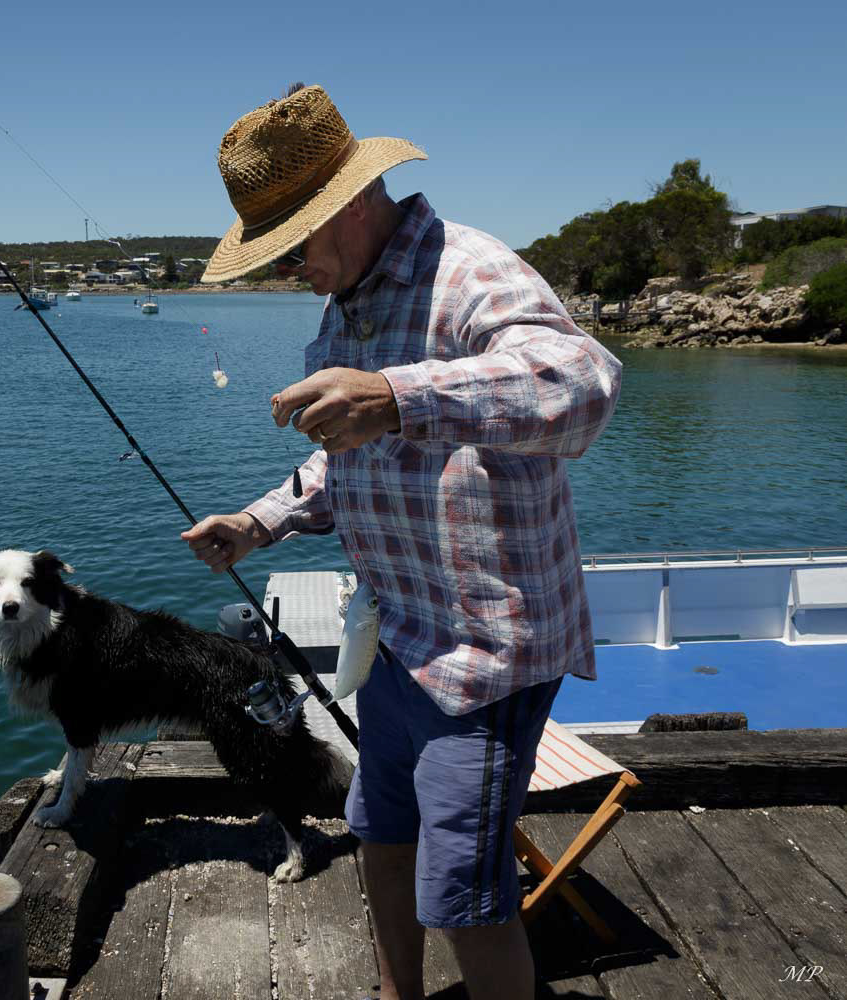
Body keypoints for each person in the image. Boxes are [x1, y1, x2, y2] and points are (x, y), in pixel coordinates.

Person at [181, 84, 622, 1000]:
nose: (289, 269)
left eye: (293, 245)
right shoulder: (340, 312)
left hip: (487, 653)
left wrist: (399, 396)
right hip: (393, 638)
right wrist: (258, 522)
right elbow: (340, 472)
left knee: (465, 898)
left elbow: (583, 385)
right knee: (377, 830)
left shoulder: (472, 272)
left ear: (345, 204)